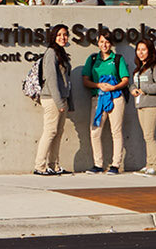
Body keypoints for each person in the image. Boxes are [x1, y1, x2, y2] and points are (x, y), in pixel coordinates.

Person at [82, 29, 130, 174]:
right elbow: (85, 80)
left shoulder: (117, 59)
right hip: (98, 98)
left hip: (116, 98)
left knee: (116, 131)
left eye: (107, 42)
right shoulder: (92, 59)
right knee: (95, 131)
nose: (104, 45)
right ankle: (98, 164)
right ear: (98, 42)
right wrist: (98, 85)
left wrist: (113, 87)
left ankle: (116, 165)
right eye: (102, 41)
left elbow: (125, 79)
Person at [32, 24, 75, 177]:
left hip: (61, 98)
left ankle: (54, 165)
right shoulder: (51, 53)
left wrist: (68, 101)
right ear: (53, 37)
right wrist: (59, 102)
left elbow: (65, 80)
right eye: (59, 35)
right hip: (51, 98)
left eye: (65, 34)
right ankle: (40, 166)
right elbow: (51, 79)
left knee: (58, 132)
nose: (62, 38)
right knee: (50, 131)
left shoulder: (61, 53)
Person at [130, 39, 156, 175]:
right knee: (146, 136)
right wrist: (133, 89)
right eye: (138, 50)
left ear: (150, 51)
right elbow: (134, 84)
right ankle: (149, 165)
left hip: (153, 104)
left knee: (149, 135)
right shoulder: (139, 68)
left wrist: (144, 89)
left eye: (144, 50)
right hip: (141, 104)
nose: (140, 53)